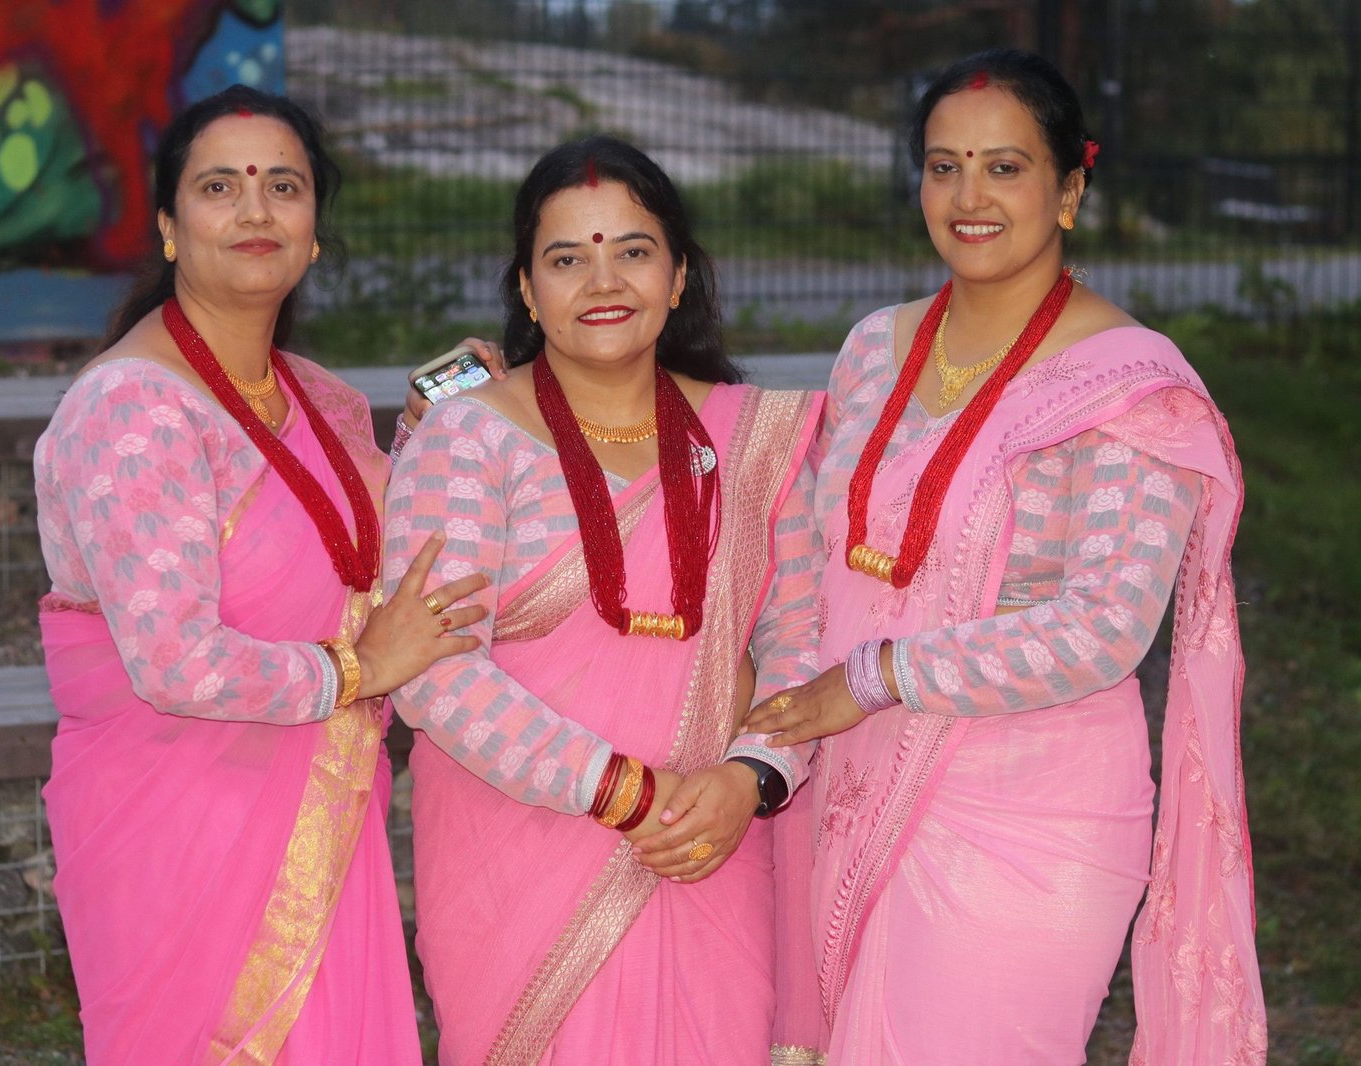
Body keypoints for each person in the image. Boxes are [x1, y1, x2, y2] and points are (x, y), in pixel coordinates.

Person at [746, 49, 1266, 1064]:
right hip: (849, 782)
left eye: (1004, 167)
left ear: (1069, 189)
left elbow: (1104, 628)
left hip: (1030, 816)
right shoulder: (872, 349)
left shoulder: (1127, 385)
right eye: (944, 166)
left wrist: (876, 675)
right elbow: (808, 552)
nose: (969, 197)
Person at [33, 85, 489, 1064]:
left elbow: (365, 550)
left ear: (314, 232)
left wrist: (432, 434)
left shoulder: (317, 396)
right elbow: (176, 663)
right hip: (182, 843)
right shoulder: (132, 408)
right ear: (168, 227)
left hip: (317, 821)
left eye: (283, 186)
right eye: (219, 187)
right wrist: (361, 669)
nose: (255, 209)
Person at [383, 135, 824, 1064]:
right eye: (566, 259)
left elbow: (803, 635)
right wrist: (622, 789)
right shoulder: (466, 439)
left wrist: (750, 777)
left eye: (632, 250)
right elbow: (433, 669)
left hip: (711, 843)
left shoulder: (753, 439)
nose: (603, 281)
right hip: (520, 856)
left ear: (679, 274)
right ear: (526, 289)